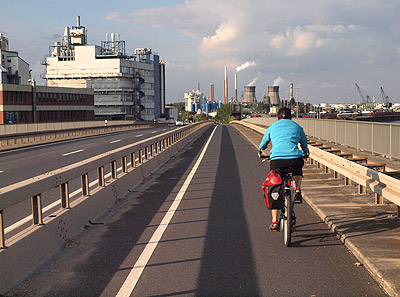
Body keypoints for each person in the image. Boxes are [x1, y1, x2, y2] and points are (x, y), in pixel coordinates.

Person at [259, 107, 309, 231]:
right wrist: (306, 153)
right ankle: (297, 189)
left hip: (277, 160)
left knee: (275, 186)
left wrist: (261, 149)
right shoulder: (297, 127)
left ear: (277, 117)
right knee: (298, 169)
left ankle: (274, 221)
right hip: (294, 158)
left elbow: (264, 143)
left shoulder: (272, 127)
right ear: (291, 117)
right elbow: (304, 143)